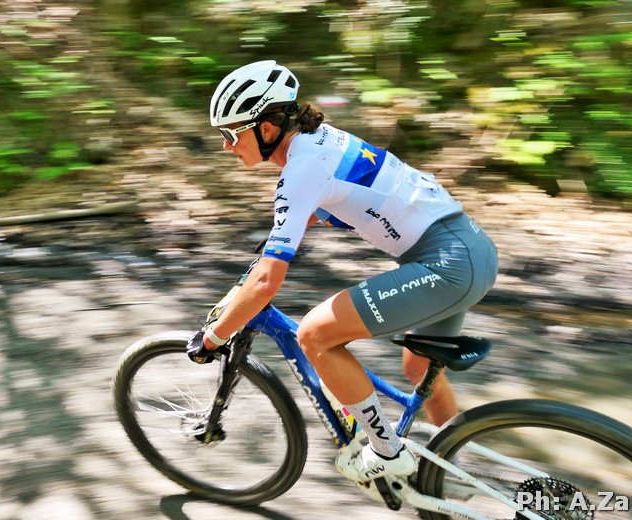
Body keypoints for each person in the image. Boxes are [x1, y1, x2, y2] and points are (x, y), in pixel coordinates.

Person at [187, 60, 498, 482]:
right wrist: (286, 233)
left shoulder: (301, 168)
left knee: (314, 334)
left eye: (230, 134)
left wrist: (214, 337)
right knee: (417, 368)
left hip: (446, 264)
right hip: (472, 249)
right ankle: (454, 476)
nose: (226, 146)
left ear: (265, 129)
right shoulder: (320, 139)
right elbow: (346, 200)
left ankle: (386, 451)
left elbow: (266, 281)